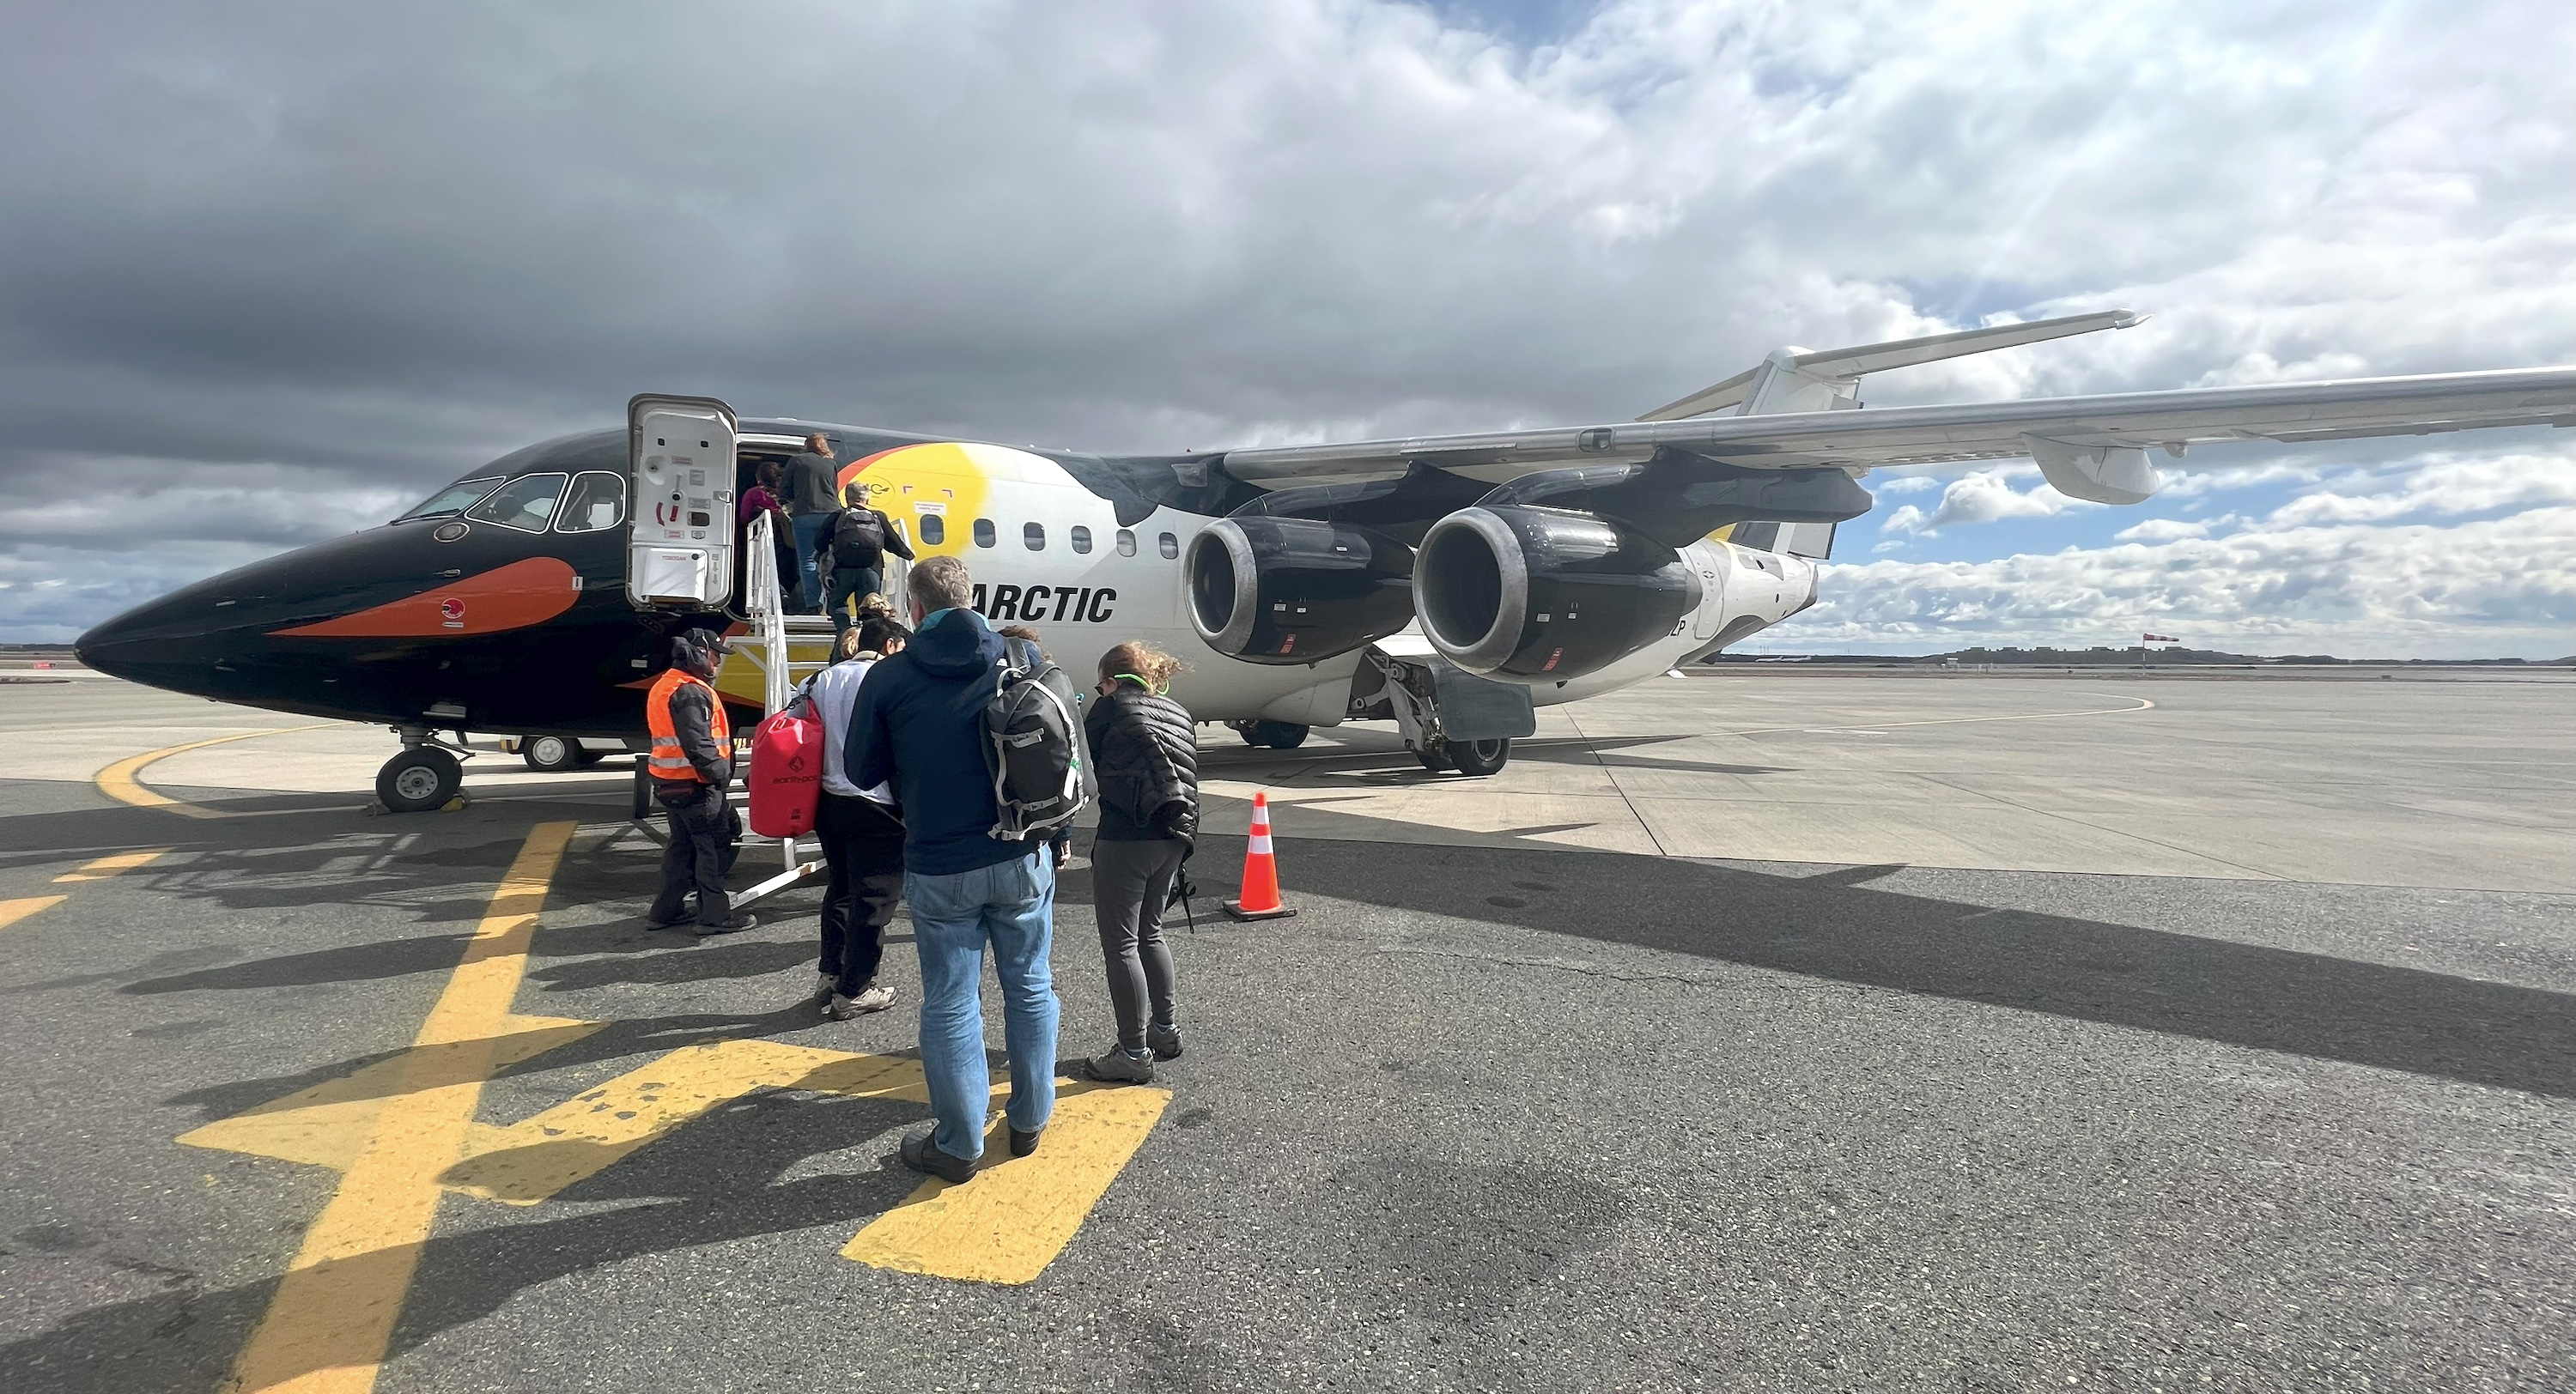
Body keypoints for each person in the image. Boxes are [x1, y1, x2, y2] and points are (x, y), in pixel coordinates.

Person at [848, 555, 1059, 1184]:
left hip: (941, 864)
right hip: (1021, 853)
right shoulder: (1025, 661)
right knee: (1030, 985)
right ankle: (1028, 1121)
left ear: (914, 608)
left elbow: (860, 772)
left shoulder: (889, 677)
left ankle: (959, 1145)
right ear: (972, 598)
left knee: (950, 1001)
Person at [1078, 641, 1196, 1083]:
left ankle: (1132, 1052)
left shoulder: (1111, 709)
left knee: (1121, 943)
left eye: (1099, 683)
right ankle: (1165, 1032)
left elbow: (1079, 763)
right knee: (1151, 932)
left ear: (1111, 680)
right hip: (1172, 836)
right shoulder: (1177, 712)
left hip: (1125, 834)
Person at [787, 612, 909, 1020]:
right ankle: (855, 988)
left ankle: (830, 973)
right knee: (874, 898)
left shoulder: (817, 680)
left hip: (827, 800)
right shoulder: (887, 680)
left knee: (839, 886)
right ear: (890, 645)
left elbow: (797, 733)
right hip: (875, 802)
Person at [644, 631, 755, 936]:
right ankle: (713, 917)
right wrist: (720, 775)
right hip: (696, 785)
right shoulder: (691, 691)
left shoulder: (666, 685)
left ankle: (665, 911)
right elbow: (698, 742)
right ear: (698, 653)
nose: (718, 661)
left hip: (671, 783)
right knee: (712, 849)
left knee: (681, 848)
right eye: (714, 655)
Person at [815, 484, 915, 633]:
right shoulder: (878, 517)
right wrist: (908, 554)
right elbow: (893, 543)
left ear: (847, 498)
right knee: (870, 610)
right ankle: (865, 639)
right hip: (871, 571)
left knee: (837, 604)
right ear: (866, 498)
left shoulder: (837, 516)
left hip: (842, 571)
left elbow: (818, 542)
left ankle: (846, 633)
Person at [783, 433, 841, 614]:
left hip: (805, 514)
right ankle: (834, 601)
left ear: (806, 445)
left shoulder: (797, 461)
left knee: (807, 560)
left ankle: (813, 604)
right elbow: (834, 488)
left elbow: (785, 489)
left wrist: (794, 500)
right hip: (831, 514)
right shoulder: (830, 463)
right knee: (831, 559)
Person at [739, 460, 801, 609]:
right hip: (791, 535)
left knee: (768, 567)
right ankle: (793, 600)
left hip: (766, 535)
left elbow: (744, 517)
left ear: (759, 478)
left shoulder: (753, 493)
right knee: (789, 567)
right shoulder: (791, 491)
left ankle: (779, 596)